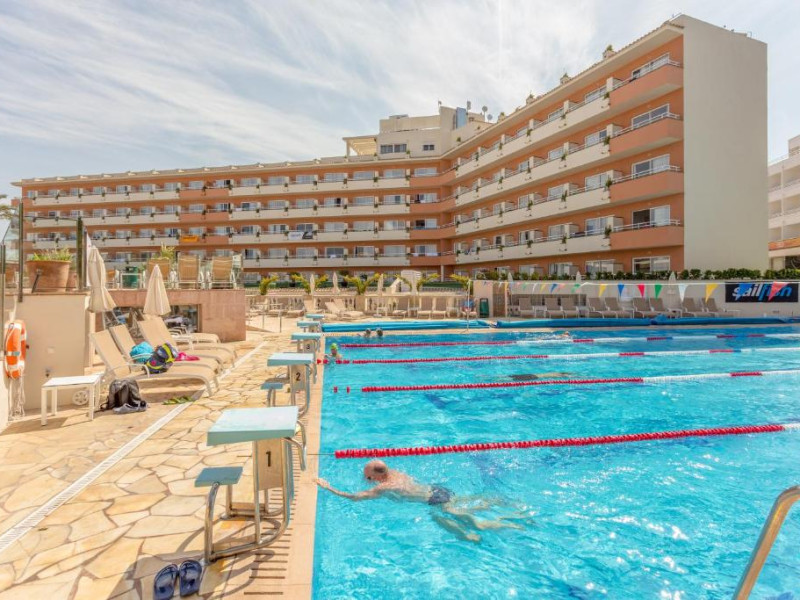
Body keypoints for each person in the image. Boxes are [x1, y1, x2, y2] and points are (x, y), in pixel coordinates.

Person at [315, 460, 528, 542]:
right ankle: (494, 503)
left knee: (472, 522)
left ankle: (511, 523)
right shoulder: (395, 473)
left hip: (435, 499)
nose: (366, 478)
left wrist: (328, 487)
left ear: (376, 477)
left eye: (367, 476)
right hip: (437, 489)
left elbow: (354, 498)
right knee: (457, 508)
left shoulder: (383, 487)